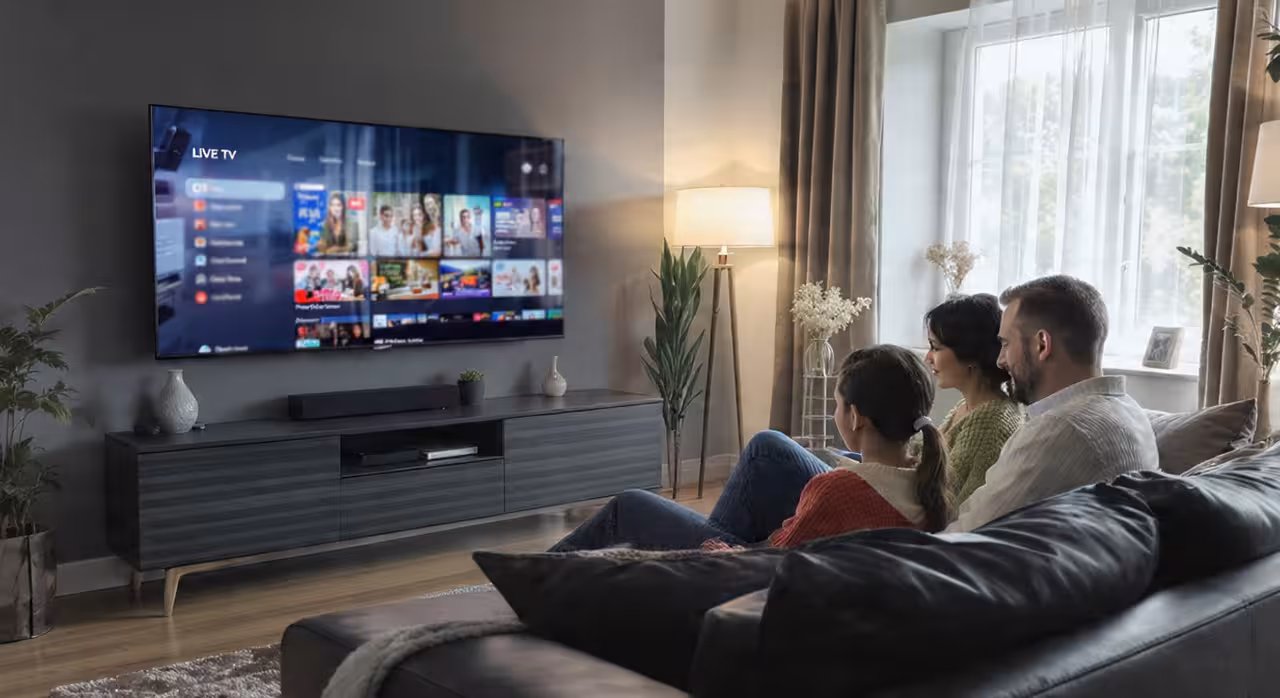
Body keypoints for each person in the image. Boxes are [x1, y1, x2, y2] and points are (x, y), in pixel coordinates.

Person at [549, 344, 952, 552]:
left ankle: (520, 581)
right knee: (768, 444)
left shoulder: (836, 492)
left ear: (857, 417)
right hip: (781, 563)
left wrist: (713, 548)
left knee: (631, 505)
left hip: (739, 577)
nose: (834, 412)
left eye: (836, 403)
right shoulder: (928, 482)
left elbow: (765, 564)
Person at [946, 275, 1159, 532]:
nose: (1000, 360)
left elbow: (970, 535)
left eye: (1005, 344)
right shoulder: (1128, 408)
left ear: (1042, 344)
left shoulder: (1061, 430)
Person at [923, 294, 1025, 505]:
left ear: (969, 353)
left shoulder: (990, 425)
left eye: (935, 347)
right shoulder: (969, 407)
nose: (927, 357)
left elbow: (956, 509)